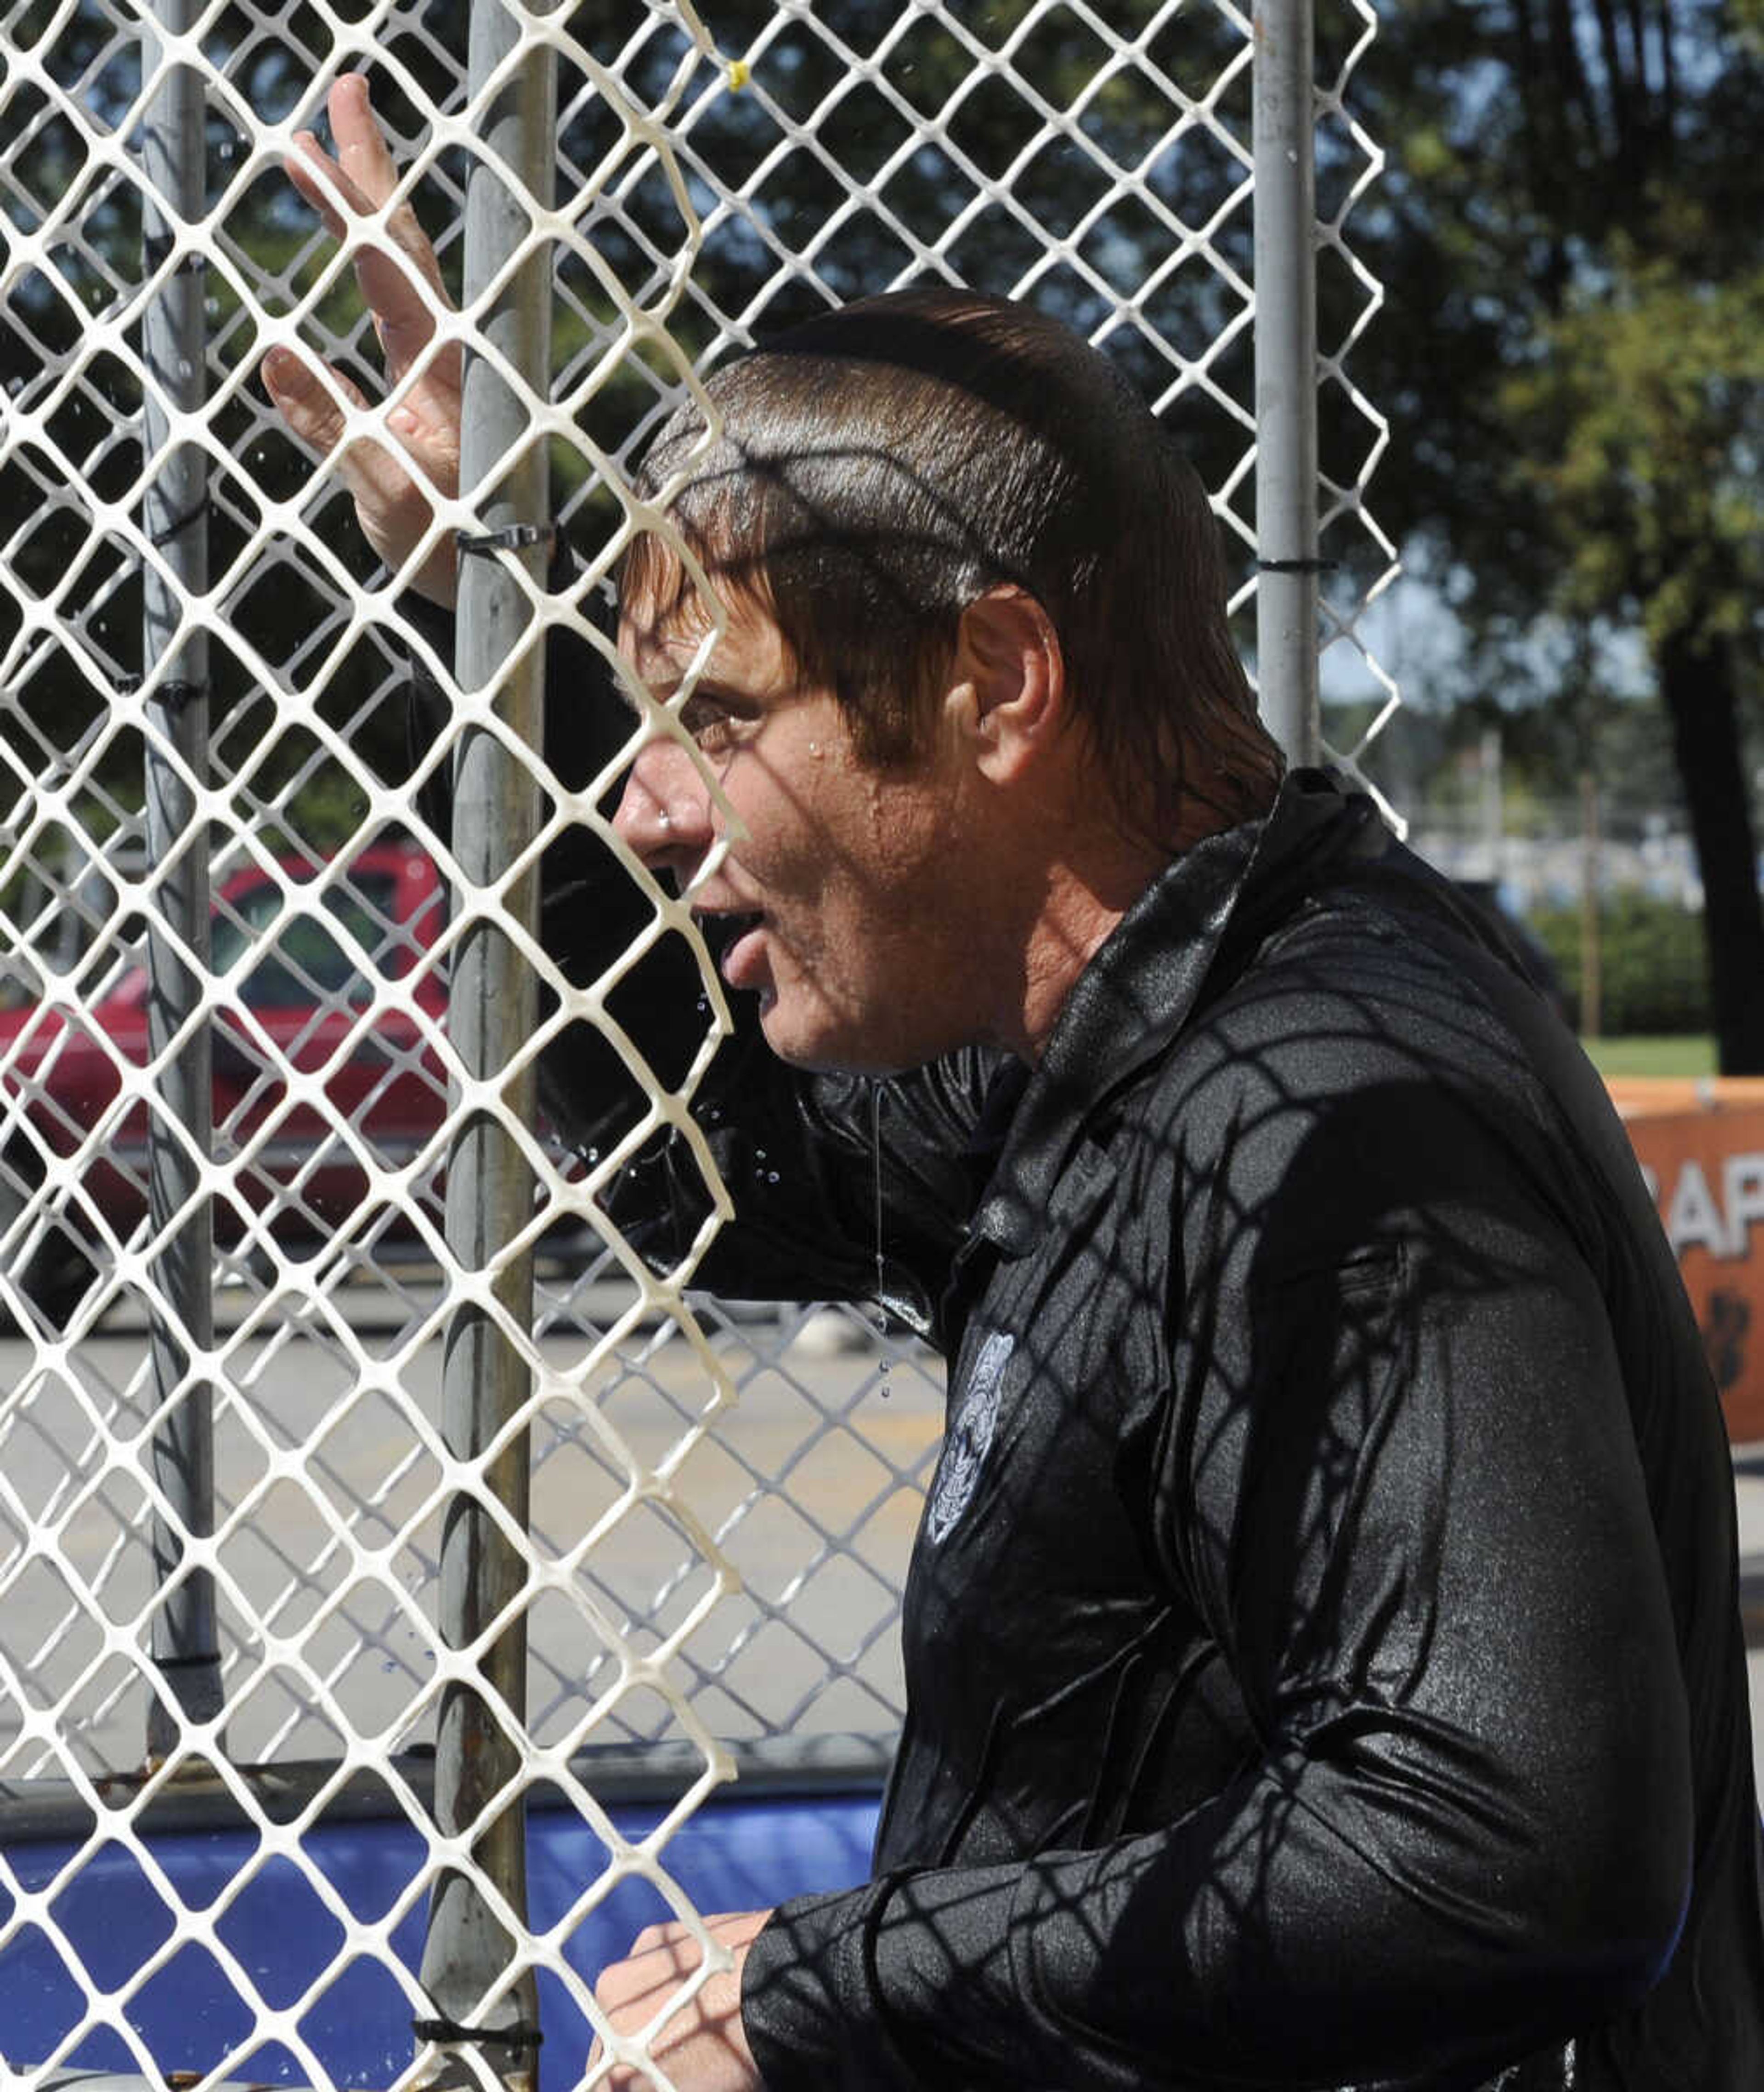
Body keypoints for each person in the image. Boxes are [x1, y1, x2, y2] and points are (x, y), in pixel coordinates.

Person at [267, 76, 1764, 2092]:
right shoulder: (1135, 1047)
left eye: (718, 716)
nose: (656, 802)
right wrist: (484, 604)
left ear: (996, 685)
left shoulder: (1338, 1100)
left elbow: (1518, 1837)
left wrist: (822, 1989)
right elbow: (714, 1150)